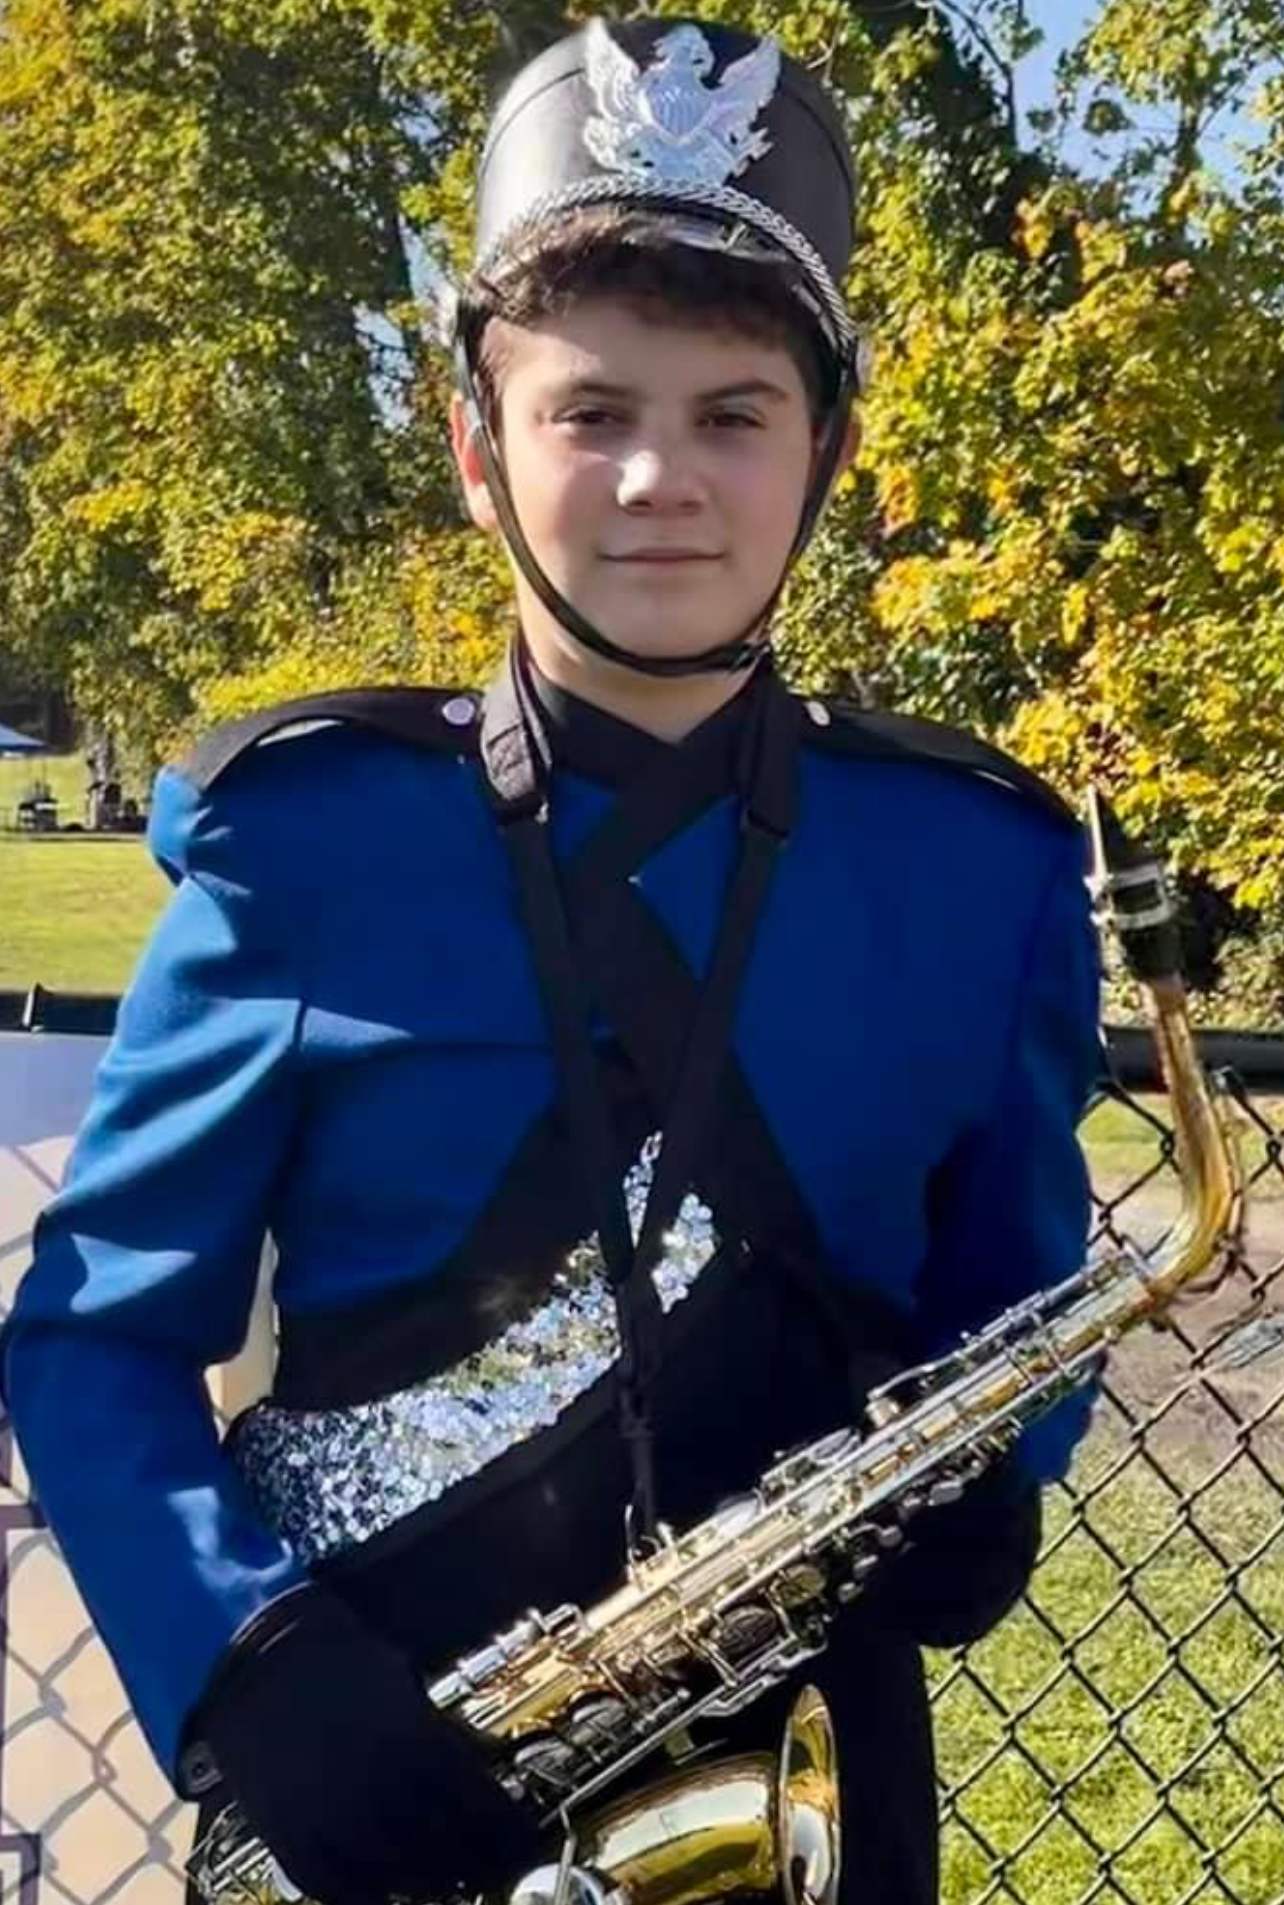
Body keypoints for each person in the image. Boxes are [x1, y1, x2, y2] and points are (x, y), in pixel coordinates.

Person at [2, 18, 1102, 1905]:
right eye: (592, 411)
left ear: (824, 447)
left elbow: (1020, 1302)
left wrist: (997, 1480)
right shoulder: (305, 841)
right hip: (367, 1757)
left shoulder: (973, 864)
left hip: (802, 1776)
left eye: (732, 412)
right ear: (476, 449)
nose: (660, 476)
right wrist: (242, 1666)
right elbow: (96, 1333)